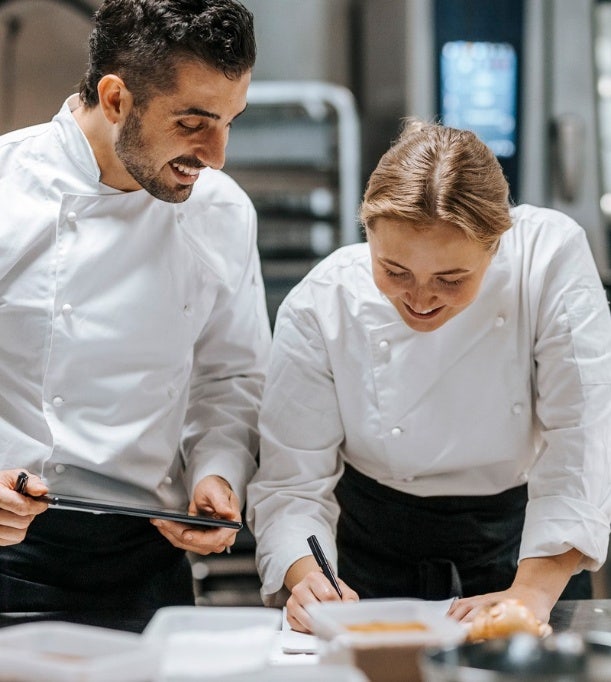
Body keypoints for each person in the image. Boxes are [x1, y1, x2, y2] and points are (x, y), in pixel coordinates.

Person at [247, 118, 611, 634]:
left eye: (451, 278)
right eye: (394, 271)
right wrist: (308, 578)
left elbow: (582, 439)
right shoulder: (324, 304)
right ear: (366, 234)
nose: (419, 300)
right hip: (371, 553)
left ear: (494, 247)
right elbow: (291, 483)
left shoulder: (546, 261)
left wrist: (529, 595)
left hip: (529, 547)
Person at [0, 0, 270, 624]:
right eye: (195, 122)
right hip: (9, 554)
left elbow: (230, 379)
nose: (217, 153)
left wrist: (218, 474)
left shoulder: (222, 213)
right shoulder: (9, 186)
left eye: (231, 121)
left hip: (147, 564)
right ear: (117, 98)